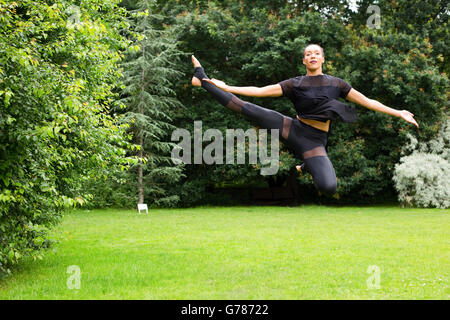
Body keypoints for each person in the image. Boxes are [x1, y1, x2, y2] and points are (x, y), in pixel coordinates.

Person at [190, 44, 418, 196]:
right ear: (304, 61)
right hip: (293, 128)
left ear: (322, 59)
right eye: (308, 54)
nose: (312, 56)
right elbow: (259, 90)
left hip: (314, 141)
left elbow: (367, 101)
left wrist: (398, 112)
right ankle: (203, 79)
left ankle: (307, 165)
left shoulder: (336, 83)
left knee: (329, 187)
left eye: (316, 53)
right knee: (247, 108)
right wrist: (227, 86)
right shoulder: (295, 83)